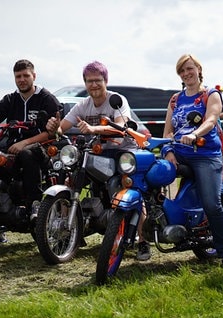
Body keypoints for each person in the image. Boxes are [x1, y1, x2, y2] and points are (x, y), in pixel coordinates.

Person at [45, 61, 151, 261]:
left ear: (106, 81)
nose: (93, 85)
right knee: (71, 180)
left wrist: (94, 129)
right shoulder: (82, 105)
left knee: (131, 190)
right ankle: (72, 230)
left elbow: (121, 127)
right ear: (85, 83)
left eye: (97, 80)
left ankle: (143, 241)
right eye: (89, 81)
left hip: (123, 152)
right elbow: (63, 127)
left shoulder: (117, 100)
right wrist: (54, 127)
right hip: (97, 153)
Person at [0, 59, 60, 247]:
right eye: (18, 76)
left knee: (27, 154)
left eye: (25, 76)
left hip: (41, 151)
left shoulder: (47, 99)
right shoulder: (10, 99)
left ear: (34, 76)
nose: (21, 80)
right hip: (13, 150)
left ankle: (35, 206)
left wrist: (25, 143)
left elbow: (53, 132)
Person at [162, 54, 223, 269]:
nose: (186, 73)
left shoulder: (210, 94)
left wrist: (195, 134)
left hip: (206, 155)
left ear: (198, 69)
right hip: (180, 152)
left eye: (189, 68)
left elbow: (212, 120)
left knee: (211, 204)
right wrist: (168, 150)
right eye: (182, 71)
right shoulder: (175, 99)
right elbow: (168, 130)